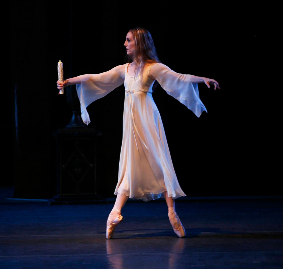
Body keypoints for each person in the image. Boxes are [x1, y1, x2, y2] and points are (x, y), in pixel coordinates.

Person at [57, 28, 219, 239]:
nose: (125, 44)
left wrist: (202, 79)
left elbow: (179, 78)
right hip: (131, 123)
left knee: (159, 162)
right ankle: (114, 213)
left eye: (128, 40)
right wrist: (69, 82)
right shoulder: (125, 69)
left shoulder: (152, 68)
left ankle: (172, 213)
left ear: (139, 43)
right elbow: (97, 78)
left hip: (148, 120)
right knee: (129, 164)